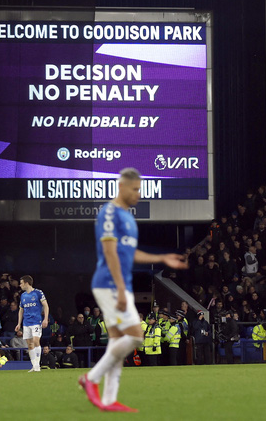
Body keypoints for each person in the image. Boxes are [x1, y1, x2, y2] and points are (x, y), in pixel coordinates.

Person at [79, 168, 188, 412]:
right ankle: (91, 378)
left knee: (118, 341)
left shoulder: (129, 219)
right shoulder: (109, 212)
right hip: (108, 283)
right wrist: (119, 288)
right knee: (137, 336)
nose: (139, 194)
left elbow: (130, 252)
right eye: (135, 189)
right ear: (122, 187)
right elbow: (110, 251)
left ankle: (108, 400)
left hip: (120, 284)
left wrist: (162, 259)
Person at [15, 275, 49, 372]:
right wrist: (19, 323)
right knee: (30, 345)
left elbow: (46, 305)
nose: (20, 285)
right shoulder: (23, 296)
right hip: (26, 323)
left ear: (26, 283)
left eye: (21, 283)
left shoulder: (38, 293)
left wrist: (45, 319)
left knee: (35, 341)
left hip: (36, 321)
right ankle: (34, 365)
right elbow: (21, 310)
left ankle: (37, 365)